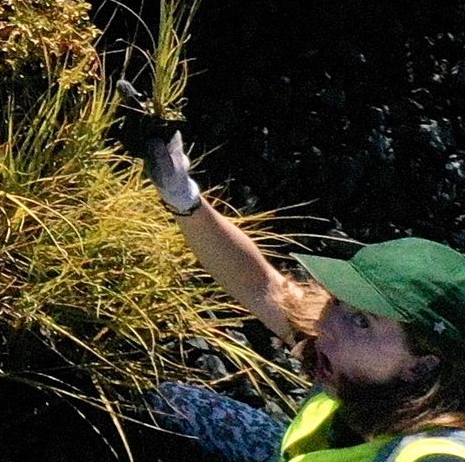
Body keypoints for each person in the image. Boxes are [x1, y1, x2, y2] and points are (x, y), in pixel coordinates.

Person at [144, 130, 465, 462]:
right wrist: (183, 197)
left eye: (362, 322)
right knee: (159, 402)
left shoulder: (437, 452)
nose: (327, 325)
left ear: (423, 366)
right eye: (339, 301)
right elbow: (262, 286)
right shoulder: (346, 349)